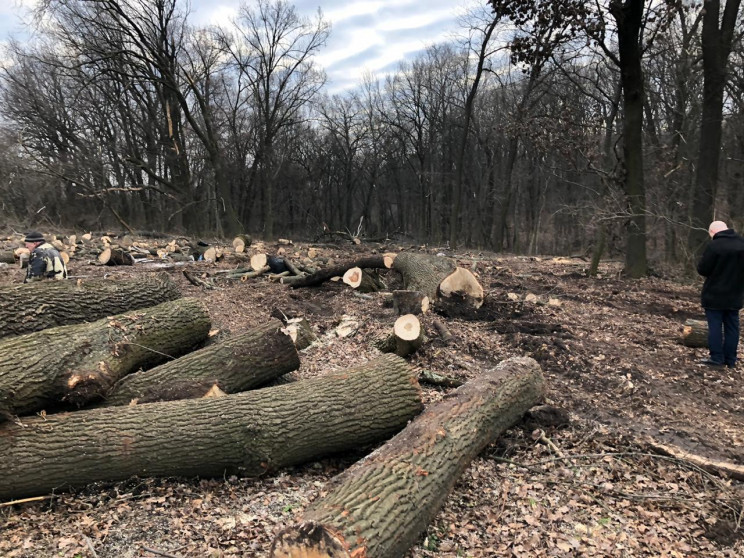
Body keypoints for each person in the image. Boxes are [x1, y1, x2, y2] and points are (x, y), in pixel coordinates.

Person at [696, 220, 744, 368]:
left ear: (713, 232)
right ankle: (730, 359)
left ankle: (716, 358)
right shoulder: (742, 244)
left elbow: (703, 269)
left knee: (715, 327)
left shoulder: (714, 246)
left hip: (714, 295)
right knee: (732, 327)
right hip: (735, 294)